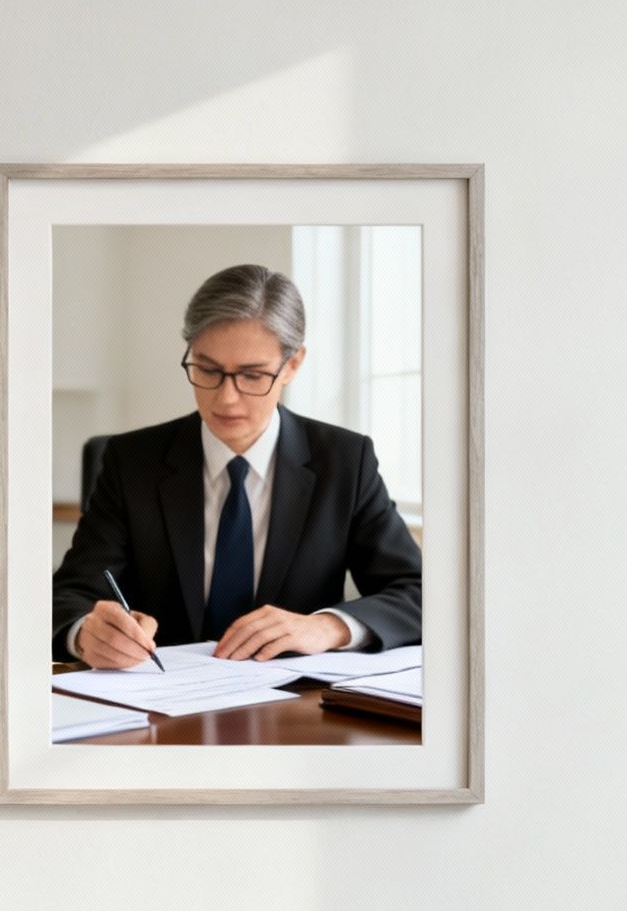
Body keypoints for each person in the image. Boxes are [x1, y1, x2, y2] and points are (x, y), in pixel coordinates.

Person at [53, 263, 421, 670]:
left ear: (293, 364)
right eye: (208, 370)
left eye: (252, 375)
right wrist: (85, 633)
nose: (226, 399)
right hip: (157, 705)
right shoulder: (131, 461)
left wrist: (328, 627)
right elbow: (68, 597)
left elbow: (418, 592)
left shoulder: (346, 461)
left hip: (294, 711)